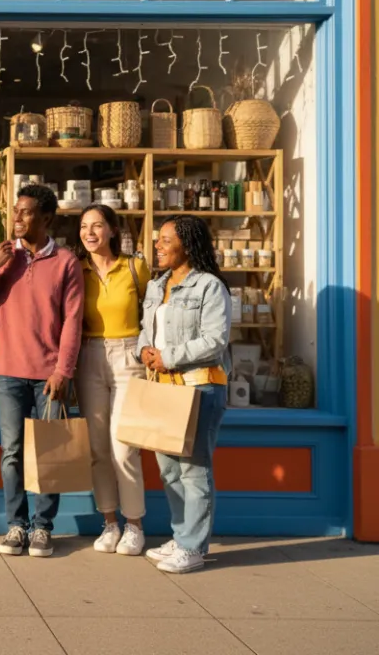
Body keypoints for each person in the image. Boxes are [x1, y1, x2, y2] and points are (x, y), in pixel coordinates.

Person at [0, 184, 83, 559]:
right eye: (15, 211)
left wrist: (63, 371)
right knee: (12, 452)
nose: (17, 218)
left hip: (49, 374)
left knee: (49, 452)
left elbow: (72, 321)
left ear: (46, 218)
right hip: (9, 372)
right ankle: (16, 525)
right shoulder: (4, 257)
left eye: (26, 212)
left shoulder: (66, 262)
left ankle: (43, 528)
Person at [137, 215, 231, 574]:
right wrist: (144, 351)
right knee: (169, 471)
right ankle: (181, 537)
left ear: (188, 245)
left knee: (194, 469)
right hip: (162, 388)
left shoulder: (210, 286)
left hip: (199, 386)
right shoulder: (155, 286)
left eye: (165, 240)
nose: (157, 246)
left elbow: (214, 340)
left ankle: (194, 547)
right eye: (157, 240)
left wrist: (168, 357)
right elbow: (147, 330)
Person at [75, 204, 152, 556]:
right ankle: (109, 524)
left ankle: (134, 525)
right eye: (84, 226)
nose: (89, 232)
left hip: (129, 355)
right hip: (88, 356)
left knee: (124, 446)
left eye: (97, 225)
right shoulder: (77, 271)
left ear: (112, 230)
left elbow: (153, 314)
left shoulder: (135, 268)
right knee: (97, 448)